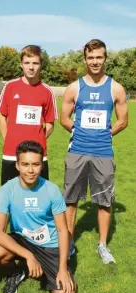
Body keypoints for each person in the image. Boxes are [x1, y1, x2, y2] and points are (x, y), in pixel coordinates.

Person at [60, 39, 128, 264]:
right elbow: (64, 118)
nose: (95, 61)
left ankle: (102, 245)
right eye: (91, 57)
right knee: (70, 200)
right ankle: (68, 243)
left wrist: (105, 134)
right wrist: (79, 131)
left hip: (103, 153)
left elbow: (123, 121)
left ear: (105, 58)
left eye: (99, 57)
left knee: (104, 201)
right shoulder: (75, 88)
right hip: (77, 150)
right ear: (85, 59)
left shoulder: (116, 88)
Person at [0, 141, 76, 293]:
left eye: (35, 164)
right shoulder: (6, 190)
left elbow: (63, 230)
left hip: (50, 245)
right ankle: (16, 272)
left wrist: (63, 269)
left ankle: (48, 268)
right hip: (23, 241)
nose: (30, 170)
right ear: (17, 165)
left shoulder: (51, 190)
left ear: (41, 165)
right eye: (25, 164)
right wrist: (29, 255)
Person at [0, 45, 58, 185]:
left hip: (37, 155)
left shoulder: (47, 91)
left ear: (41, 65)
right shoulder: (10, 87)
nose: (31, 67)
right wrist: (10, 139)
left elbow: (50, 125)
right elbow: (1, 119)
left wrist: (37, 138)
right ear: (21, 64)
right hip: (11, 154)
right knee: (9, 196)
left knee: (38, 197)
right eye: (27, 63)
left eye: (35, 63)